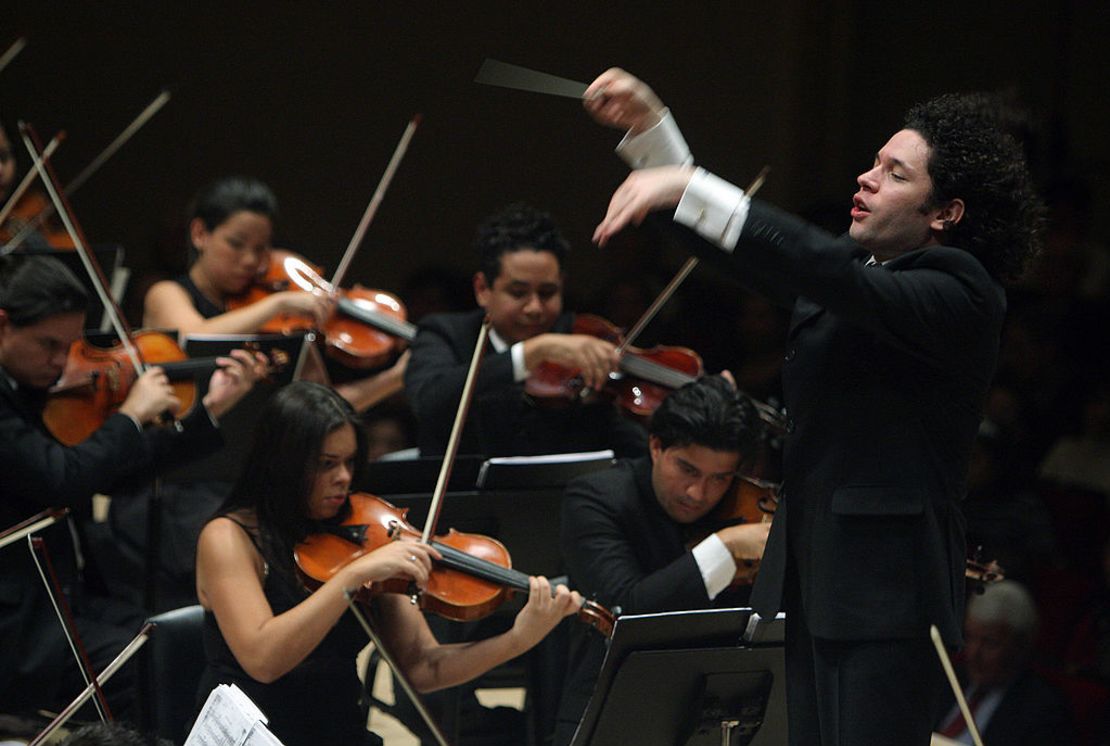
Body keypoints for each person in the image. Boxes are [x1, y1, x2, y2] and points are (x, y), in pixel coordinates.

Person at [582, 69, 1043, 745]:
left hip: (888, 598)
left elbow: (816, 264)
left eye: (894, 173)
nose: (866, 178)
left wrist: (692, 185)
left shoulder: (961, 293)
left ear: (945, 212)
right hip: (819, 581)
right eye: (873, 163)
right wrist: (653, 133)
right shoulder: (865, 280)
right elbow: (762, 256)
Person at [194, 381, 582, 746]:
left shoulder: (360, 535)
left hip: (339, 733)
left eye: (349, 462)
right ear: (282, 463)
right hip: (254, 736)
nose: (344, 478)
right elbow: (264, 659)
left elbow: (425, 667)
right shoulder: (228, 538)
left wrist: (518, 639)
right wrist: (353, 577)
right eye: (326, 464)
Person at [0, 255, 262, 716]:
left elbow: (114, 474)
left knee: (194, 637)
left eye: (70, 345)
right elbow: (63, 478)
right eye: (48, 344)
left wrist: (209, 412)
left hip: (67, 601)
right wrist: (128, 415)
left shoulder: (30, 393)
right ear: (3, 324)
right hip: (22, 630)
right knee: (152, 671)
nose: (62, 362)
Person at [555, 375, 772, 744]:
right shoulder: (595, 500)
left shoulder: (747, 506)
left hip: (731, 708)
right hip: (613, 711)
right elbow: (627, 609)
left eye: (719, 478)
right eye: (687, 469)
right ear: (655, 446)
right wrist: (726, 548)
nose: (698, 493)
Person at [142, 175, 407, 413]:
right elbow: (196, 337)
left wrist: (394, 378)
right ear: (200, 234)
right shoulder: (166, 293)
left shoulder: (280, 325)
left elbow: (321, 411)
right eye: (236, 244)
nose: (249, 260)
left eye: (260, 249)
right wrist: (276, 303)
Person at [404, 202, 647, 457]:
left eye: (548, 293)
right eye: (518, 293)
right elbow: (429, 403)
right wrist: (532, 352)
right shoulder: (443, 333)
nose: (534, 308)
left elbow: (627, 443)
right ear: (483, 289)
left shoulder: (579, 338)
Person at [932, 580, 1075, 744]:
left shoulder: (1044, 712)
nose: (973, 653)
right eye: (970, 638)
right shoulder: (947, 680)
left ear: (1020, 646)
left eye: (990, 643)